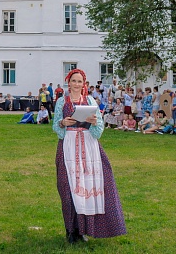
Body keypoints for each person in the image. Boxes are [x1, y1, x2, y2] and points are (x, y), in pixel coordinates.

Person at [53, 68, 126, 243]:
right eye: (74, 81)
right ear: (68, 82)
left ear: (84, 84)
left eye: (80, 81)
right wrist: (63, 122)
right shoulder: (62, 102)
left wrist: (94, 122)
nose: (77, 84)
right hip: (69, 145)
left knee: (89, 186)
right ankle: (71, 230)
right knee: (68, 187)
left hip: (88, 146)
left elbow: (98, 130)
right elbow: (56, 128)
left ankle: (85, 229)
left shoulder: (90, 100)